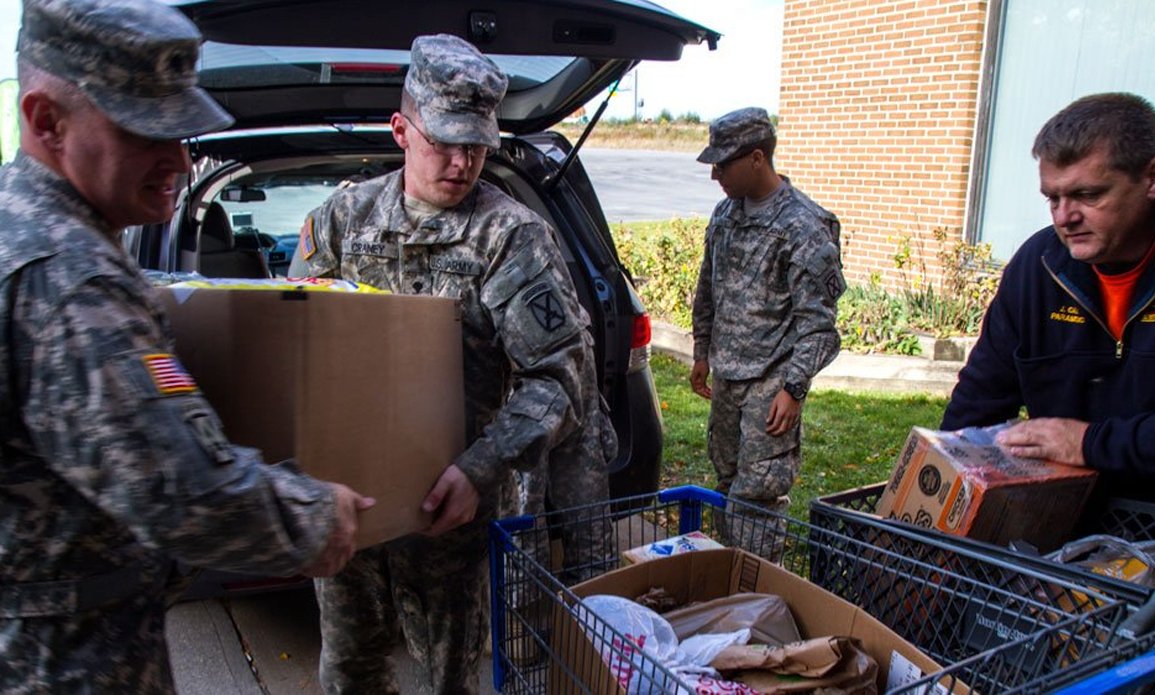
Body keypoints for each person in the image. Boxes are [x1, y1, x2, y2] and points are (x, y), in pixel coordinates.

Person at [0, 0, 373, 692]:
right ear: (46, 120)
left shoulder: (23, 227)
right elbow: (185, 493)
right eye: (146, 129)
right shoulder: (72, 283)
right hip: (69, 663)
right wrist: (318, 513)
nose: (178, 158)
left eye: (182, 132)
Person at [290, 33, 613, 693]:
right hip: (348, 499)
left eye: (478, 145)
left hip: (451, 507)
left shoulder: (511, 236)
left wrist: (479, 469)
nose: (464, 162)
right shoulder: (343, 219)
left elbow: (559, 377)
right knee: (348, 667)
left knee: (447, 680)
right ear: (401, 129)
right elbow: (295, 335)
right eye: (446, 142)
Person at [942, 92, 1155, 510]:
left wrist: (1087, 443)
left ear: (1154, 178)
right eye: (1052, 198)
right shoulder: (1037, 266)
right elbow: (980, 398)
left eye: (1088, 195)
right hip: (1067, 521)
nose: (1064, 218)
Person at [690, 107, 845, 559]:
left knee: (757, 496)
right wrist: (702, 351)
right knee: (726, 482)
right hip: (727, 378)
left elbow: (818, 325)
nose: (715, 173)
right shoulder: (725, 215)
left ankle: (758, 598)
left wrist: (794, 388)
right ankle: (733, 580)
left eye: (723, 163)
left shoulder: (804, 227)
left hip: (771, 383)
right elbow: (708, 289)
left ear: (757, 158)